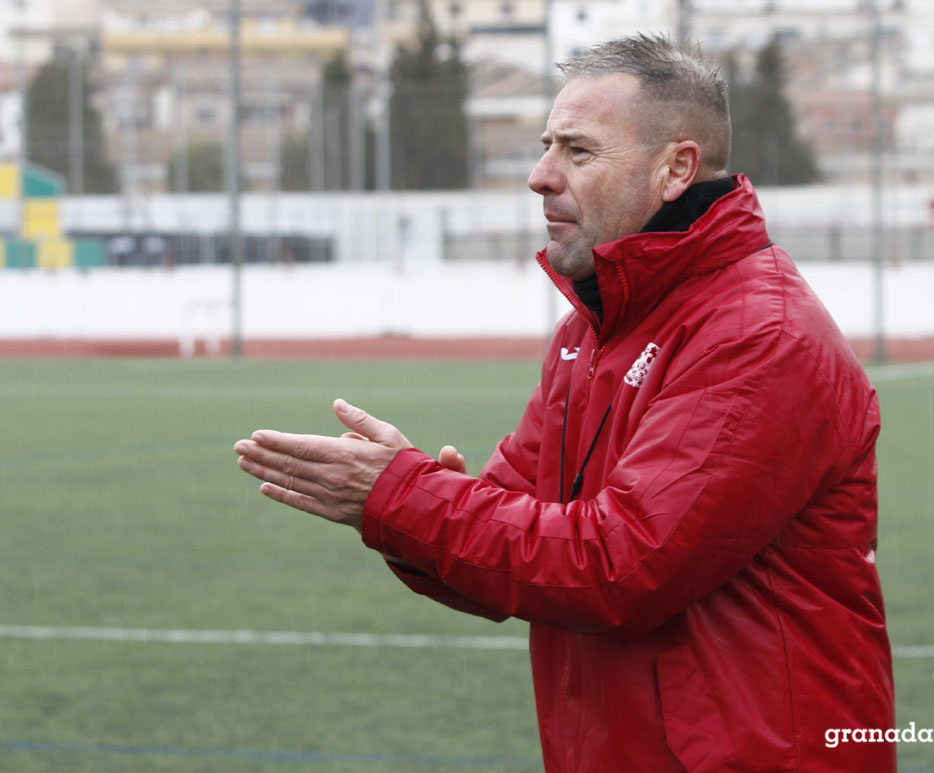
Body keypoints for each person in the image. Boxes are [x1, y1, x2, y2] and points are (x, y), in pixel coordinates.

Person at [235, 34, 895, 772]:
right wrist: (404, 509)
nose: (539, 176)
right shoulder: (592, 329)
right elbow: (513, 545)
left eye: (578, 151)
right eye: (547, 146)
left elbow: (618, 567)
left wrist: (407, 497)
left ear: (676, 168)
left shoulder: (759, 336)